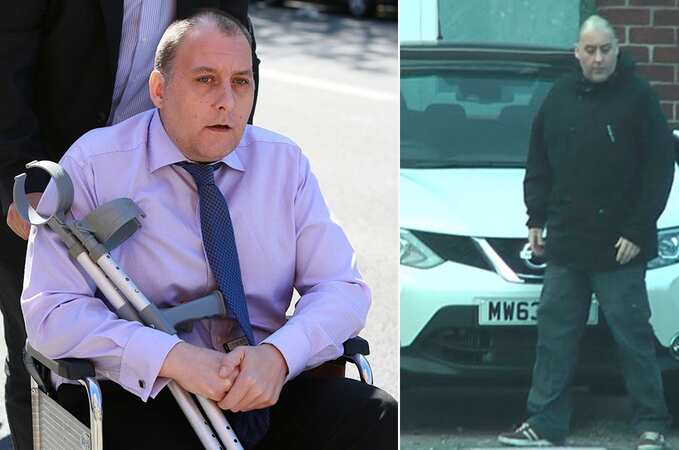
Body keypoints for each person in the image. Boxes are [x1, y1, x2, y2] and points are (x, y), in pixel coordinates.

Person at [21, 9, 396, 450]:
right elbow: (50, 312)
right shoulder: (94, 165)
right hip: (150, 391)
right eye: (205, 80)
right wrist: (173, 358)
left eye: (241, 82)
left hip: (263, 384)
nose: (227, 101)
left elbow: (343, 287)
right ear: (159, 89)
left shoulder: (283, 163)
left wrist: (278, 357)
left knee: (378, 415)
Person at [0, 3, 256, 449]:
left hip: (165, 173)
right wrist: (22, 178)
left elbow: (235, 52)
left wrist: (224, 156)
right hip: (52, 174)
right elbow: (7, 59)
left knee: (161, 354)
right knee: (44, 362)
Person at [497, 15, 674, 450]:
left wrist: (637, 230)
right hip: (567, 246)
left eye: (605, 49)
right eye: (589, 50)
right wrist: (535, 219)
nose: (598, 58)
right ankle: (545, 424)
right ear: (577, 52)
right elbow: (538, 162)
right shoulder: (559, 98)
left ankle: (651, 424)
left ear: (618, 49)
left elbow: (659, 171)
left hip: (620, 249)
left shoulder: (639, 99)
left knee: (633, 340)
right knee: (554, 338)